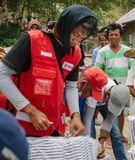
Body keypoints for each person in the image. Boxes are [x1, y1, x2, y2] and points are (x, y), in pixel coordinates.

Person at [0, 5, 98, 137]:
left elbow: (70, 86)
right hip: (21, 125)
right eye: (75, 34)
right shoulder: (31, 40)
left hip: (53, 125)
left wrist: (75, 114)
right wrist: (30, 110)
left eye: (81, 38)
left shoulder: (75, 52)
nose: (76, 41)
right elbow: (2, 75)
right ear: (65, 25)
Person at [78, 66, 130, 159]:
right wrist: (91, 144)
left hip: (104, 101)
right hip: (92, 103)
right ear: (108, 96)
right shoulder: (96, 87)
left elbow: (109, 121)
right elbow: (88, 120)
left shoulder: (118, 97)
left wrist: (101, 142)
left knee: (116, 133)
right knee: (90, 134)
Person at [95, 23, 135, 143]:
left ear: (121, 36)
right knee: (109, 112)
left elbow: (133, 68)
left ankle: (120, 135)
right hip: (108, 88)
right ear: (108, 36)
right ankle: (108, 137)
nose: (113, 37)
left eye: (116, 34)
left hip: (123, 88)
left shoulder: (127, 51)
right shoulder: (102, 52)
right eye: (111, 34)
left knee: (121, 112)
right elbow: (98, 71)